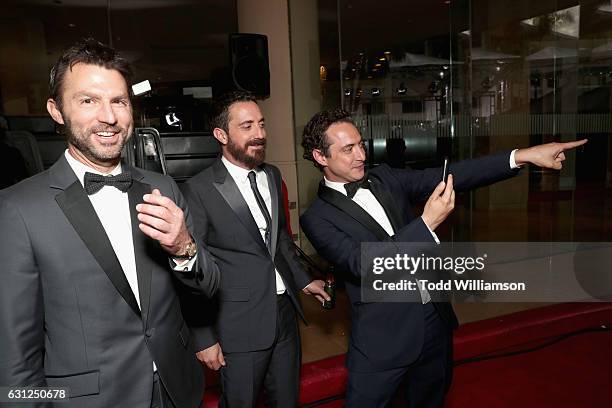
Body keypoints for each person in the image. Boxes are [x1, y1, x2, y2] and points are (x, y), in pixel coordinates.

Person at [299, 108, 587, 408]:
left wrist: (523, 155)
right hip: (384, 336)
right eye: (348, 149)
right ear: (321, 157)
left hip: (433, 319)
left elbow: (448, 176)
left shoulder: (384, 177)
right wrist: (425, 225)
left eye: (360, 144)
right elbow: (363, 265)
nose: (360, 155)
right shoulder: (317, 218)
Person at [0, 38, 219, 408]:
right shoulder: (18, 209)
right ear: (56, 111)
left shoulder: (163, 187)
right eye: (88, 101)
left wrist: (184, 248)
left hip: (177, 389)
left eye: (118, 101)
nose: (109, 117)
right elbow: (15, 360)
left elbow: (209, 287)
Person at [181, 91, 330, 407]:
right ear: (222, 135)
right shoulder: (198, 190)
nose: (260, 134)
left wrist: (303, 280)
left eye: (261, 124)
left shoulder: (272, 176)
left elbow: (280, 241)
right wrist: (204, 338)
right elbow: (191, 270)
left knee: (286, 401)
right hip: (238, 323)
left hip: (285, 316)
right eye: (247, 126)